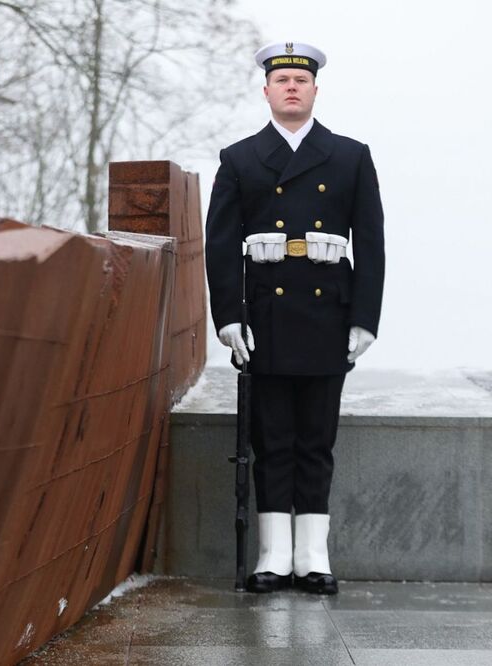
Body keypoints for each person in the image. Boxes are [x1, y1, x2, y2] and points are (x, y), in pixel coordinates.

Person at [205, 42, 385, 595]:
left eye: (299, 81)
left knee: (316, 441)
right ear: (265, 89)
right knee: (272, 439)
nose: (290, 86)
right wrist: (228, 317)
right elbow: (220, 245)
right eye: (281, 79)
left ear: (314, 90)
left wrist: (365, 319)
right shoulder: (238, 159)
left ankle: (313, 557)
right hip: (267, 320)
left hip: (327, 318)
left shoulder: (351, 156)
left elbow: (372, 244)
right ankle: (273, 557)